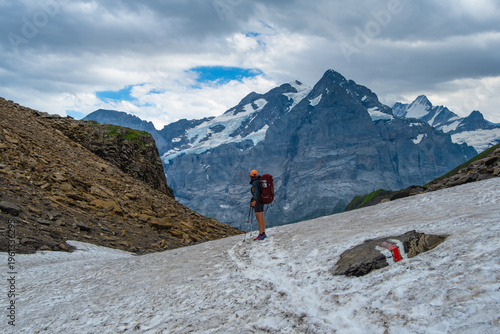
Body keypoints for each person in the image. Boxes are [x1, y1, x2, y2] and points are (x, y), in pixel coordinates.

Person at [250, 169, 267, 240]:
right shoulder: (260, 180)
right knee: (262, 218)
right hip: (262, 200)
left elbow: (256, 192)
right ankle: (263, 233)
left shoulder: (254, 182)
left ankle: (260, 234)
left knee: (259, 219)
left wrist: (254, 201)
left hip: (258, 202)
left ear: (251, 176)